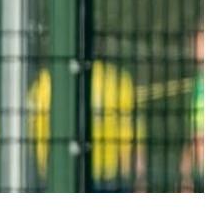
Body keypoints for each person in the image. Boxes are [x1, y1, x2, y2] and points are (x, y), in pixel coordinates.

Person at [28, 60, 148, 192]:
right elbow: (132, 134)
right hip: (107, 180)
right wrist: (140, 179)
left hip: (56, 178)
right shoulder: (118, 79)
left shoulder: (45, 81)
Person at [179, 27, 203, 192]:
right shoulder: (199, 83)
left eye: (200, 38)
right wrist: (185, 171)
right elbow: (195, 134)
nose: (193, 44)